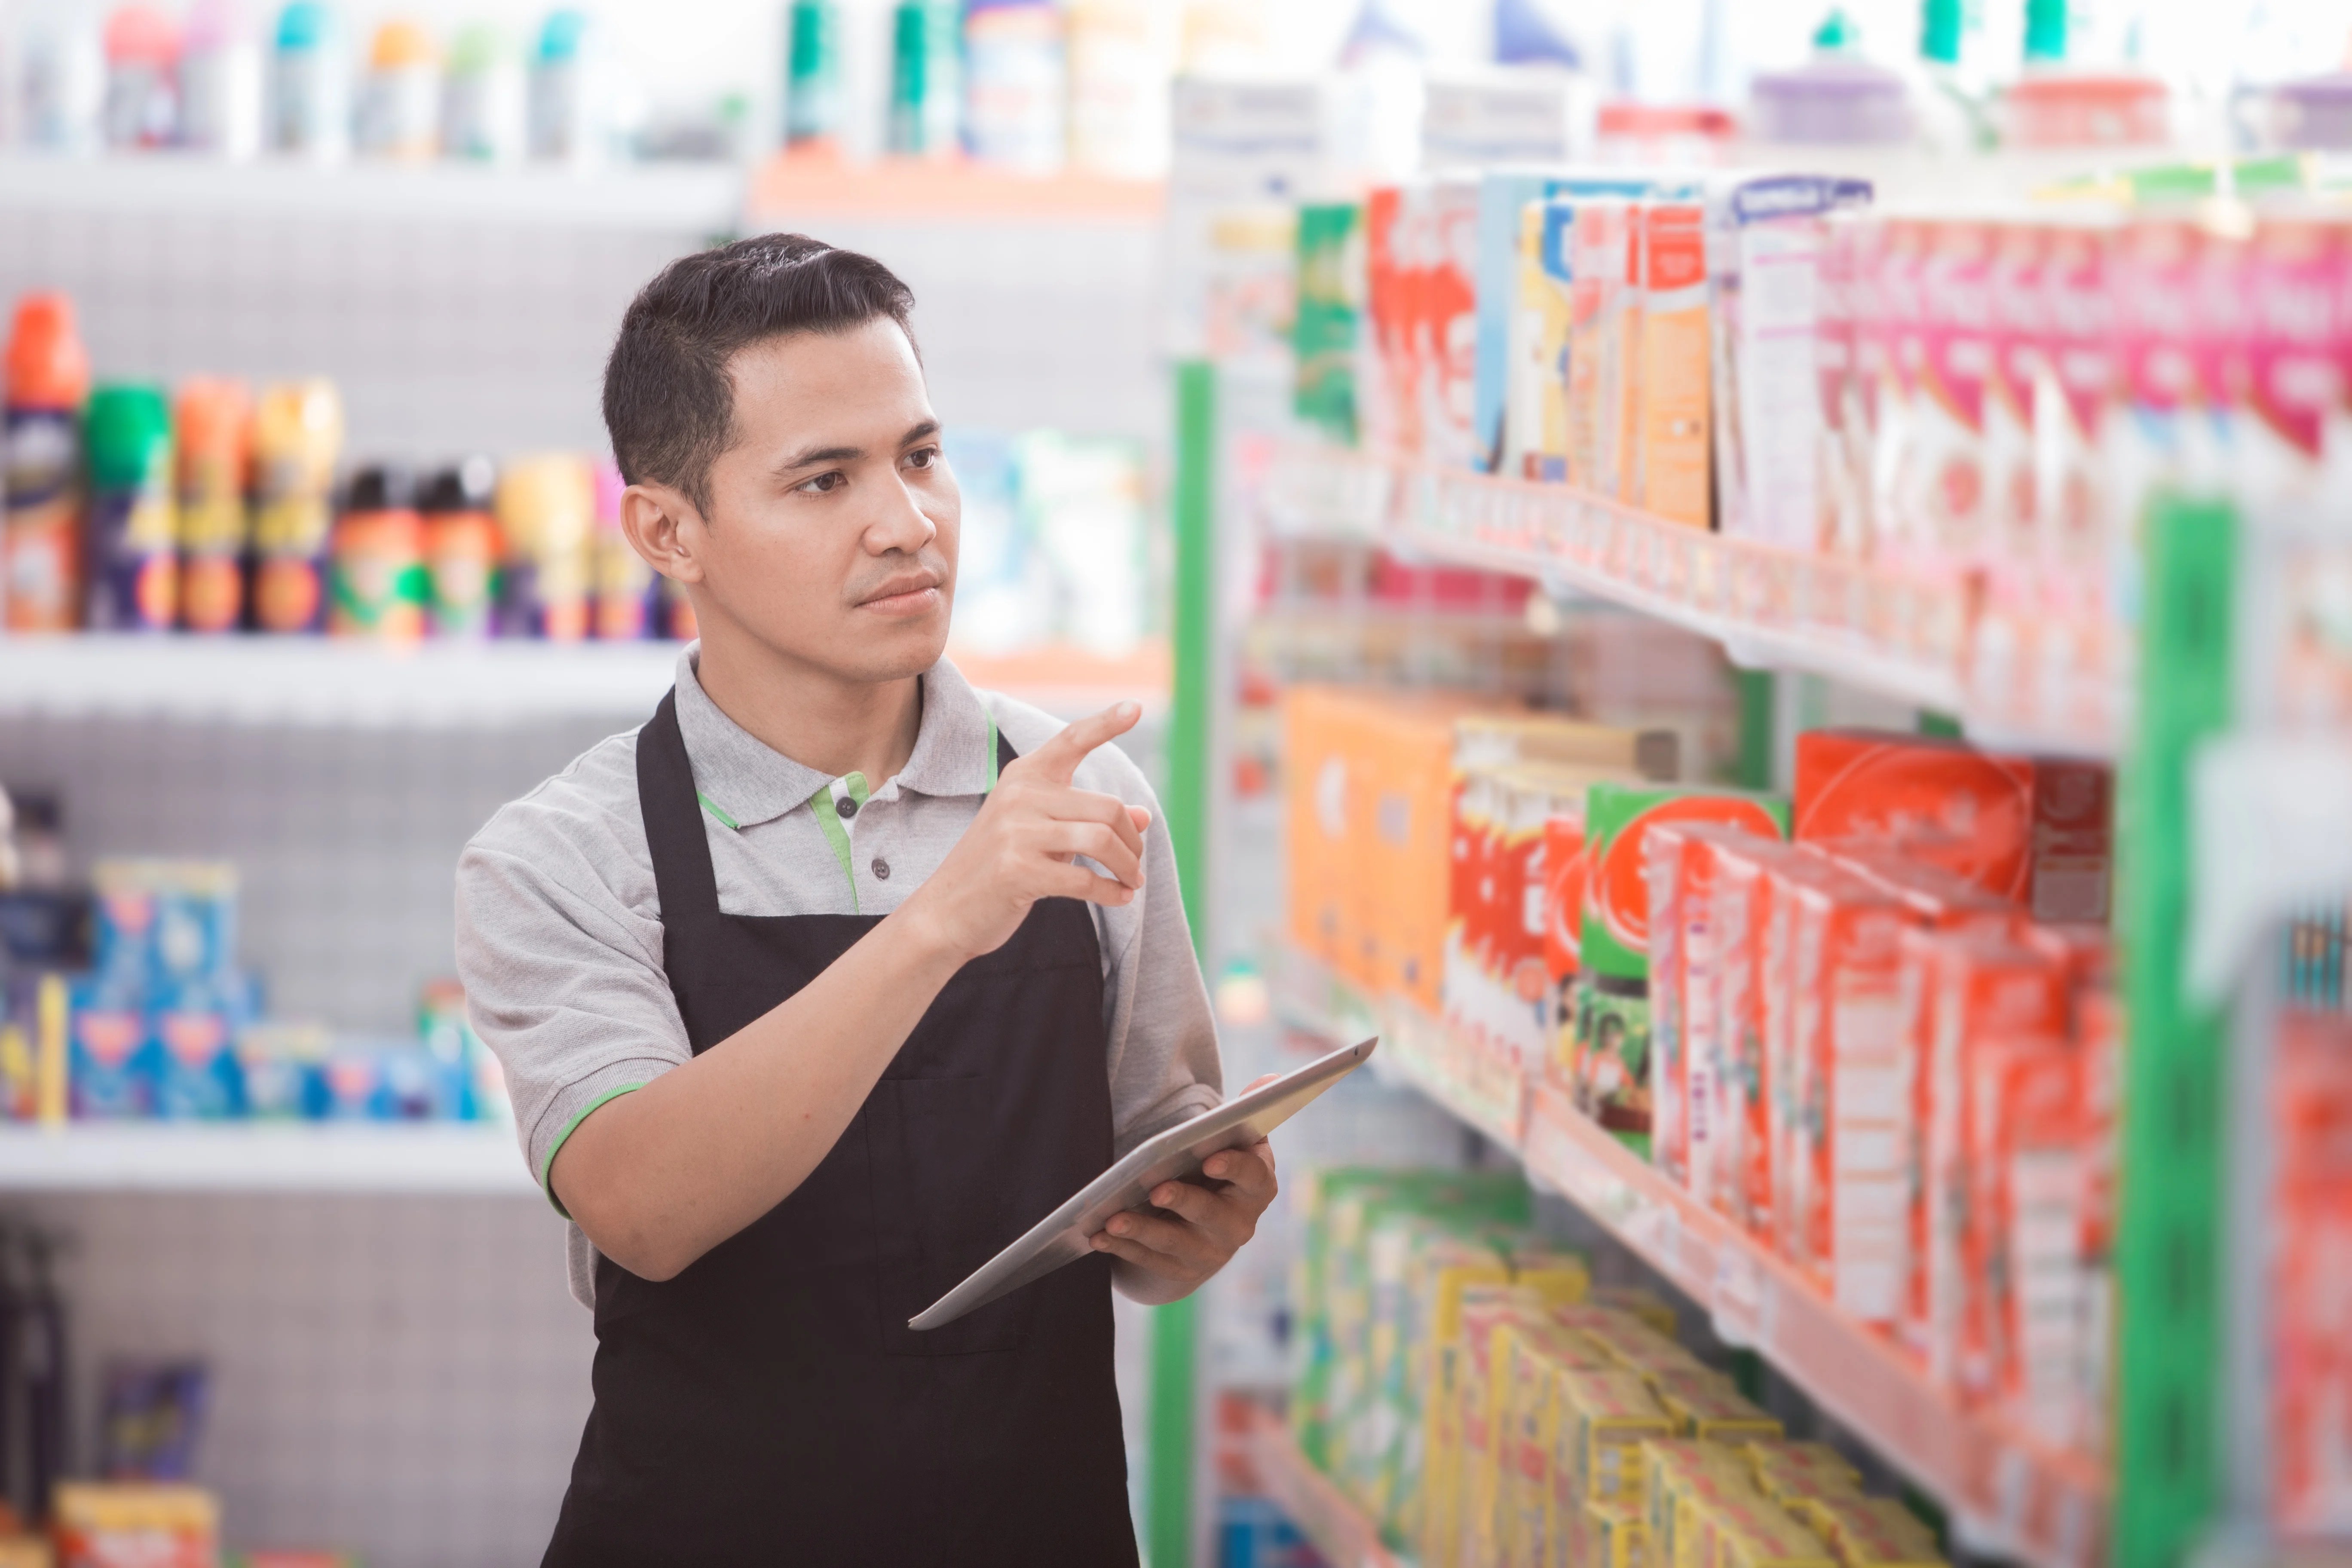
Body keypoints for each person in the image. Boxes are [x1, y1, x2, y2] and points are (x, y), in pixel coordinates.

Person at [454, 232, 1275, 1566]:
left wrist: (1197, 1228)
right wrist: (946, 916)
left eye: (921, 454)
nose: (906, 520)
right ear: (669, 531)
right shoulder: (563, 857)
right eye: (824, 479)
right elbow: (643, 1211)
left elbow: (1149, 1215)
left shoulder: (1083, 792)